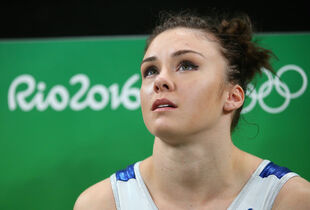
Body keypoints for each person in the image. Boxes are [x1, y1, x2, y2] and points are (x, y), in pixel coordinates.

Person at [74, 11, 310, 210]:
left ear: (233, 96)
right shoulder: (100, 204)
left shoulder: (292, 200)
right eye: (150, 70)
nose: (160, 81)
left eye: (186, 65)